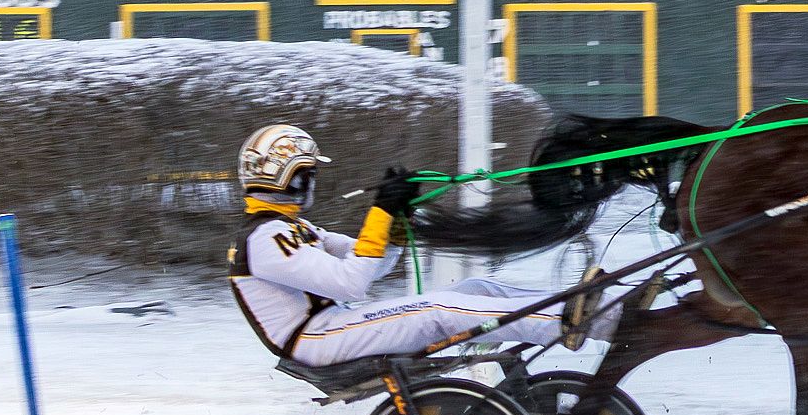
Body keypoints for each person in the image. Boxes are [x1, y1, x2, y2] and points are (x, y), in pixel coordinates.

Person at [226, 123, 613, 367]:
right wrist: (380, 211)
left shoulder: (292, 228)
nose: (312, 182)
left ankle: (585, 308)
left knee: (475, 289)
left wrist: (393, 222)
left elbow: (368, 261)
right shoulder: (264, 238)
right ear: (284, 177)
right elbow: (351, 283)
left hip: (334, 326)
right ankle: (564, 321)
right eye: (307, 173)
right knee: (436, 309)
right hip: (317, 339)